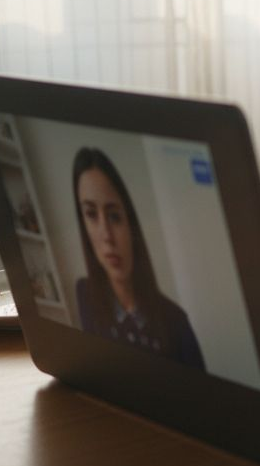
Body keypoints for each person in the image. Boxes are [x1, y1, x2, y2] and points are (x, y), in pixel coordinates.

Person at [73, 147, 205, 369]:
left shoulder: (176, 321)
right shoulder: (85, 294)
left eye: (114, 216)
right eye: (91, 214)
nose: (107, 236)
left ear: (131, 224)